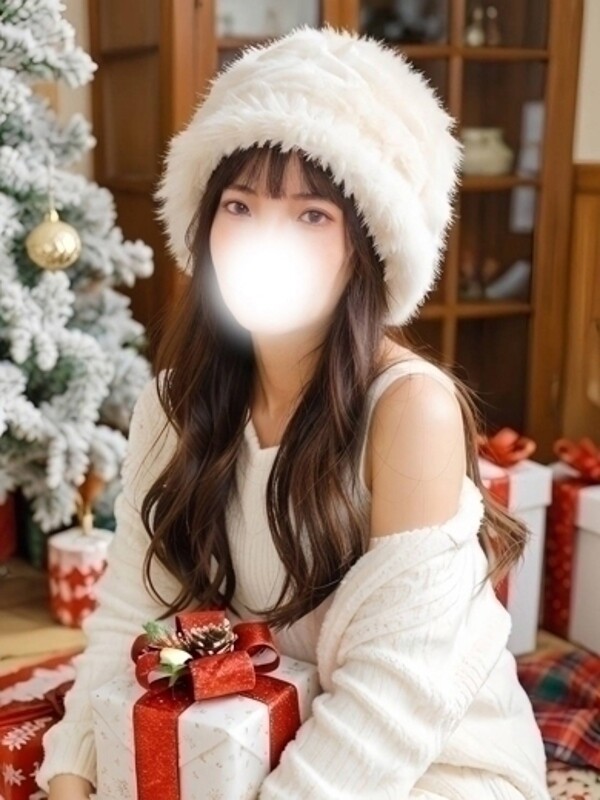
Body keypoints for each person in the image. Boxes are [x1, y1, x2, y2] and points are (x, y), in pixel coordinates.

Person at [38, 25, 550, 800]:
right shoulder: (175, 403)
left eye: (312, 215)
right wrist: (73, 774)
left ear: (364, 250)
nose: (264, 239)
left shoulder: (412, 410)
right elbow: (132, 613)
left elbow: (393, 703)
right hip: (252, 743)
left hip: (427, 764)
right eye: (240, 205)